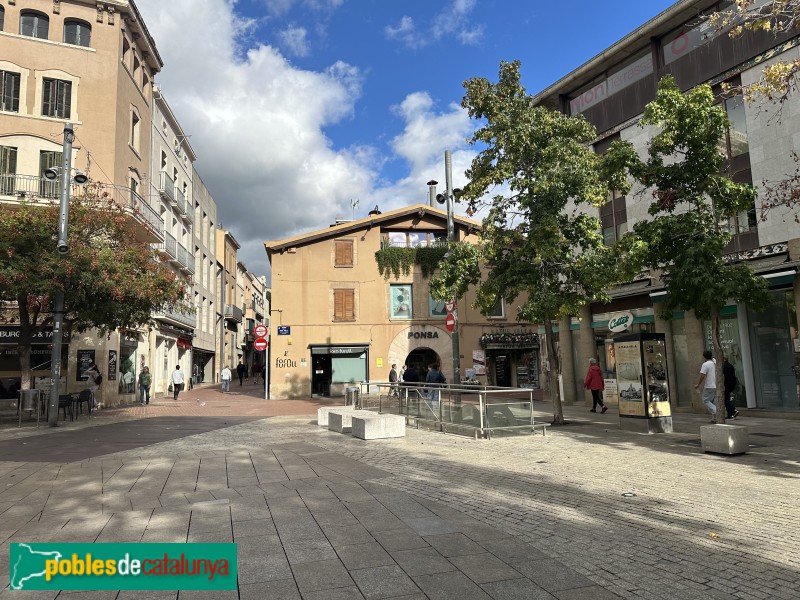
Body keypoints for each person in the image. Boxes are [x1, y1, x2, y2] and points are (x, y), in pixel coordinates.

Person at [695, 350, 717, 422]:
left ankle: (717, 411)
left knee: (706, 400)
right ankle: (714, 418)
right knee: (712, 402)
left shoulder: (705, 365)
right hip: (716, 385)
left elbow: (702, 375)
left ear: (704, 357)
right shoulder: (714, 362)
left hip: (709, 386)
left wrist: (698, 384)